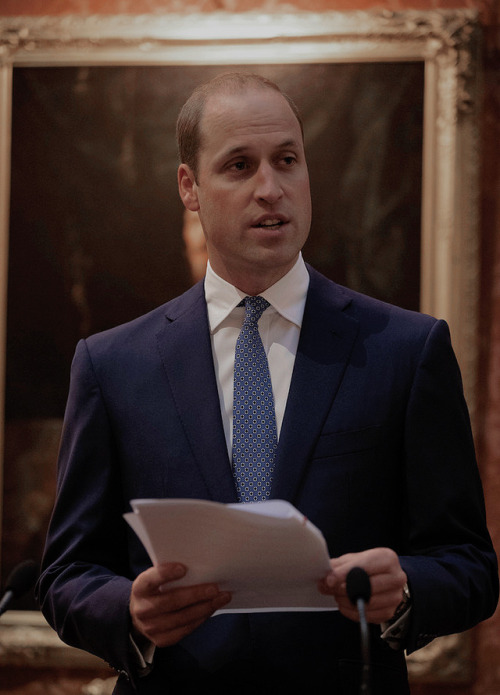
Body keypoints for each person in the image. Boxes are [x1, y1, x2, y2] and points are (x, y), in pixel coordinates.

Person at [37, 73, 498, 694]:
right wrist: (130, 611)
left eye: (287, 160)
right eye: (238, 165)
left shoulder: (405, 350)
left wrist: (408, 585)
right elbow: (67, 573)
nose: (271, 189)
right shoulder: (113, 364)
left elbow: (469, 567)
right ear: (189, 187)